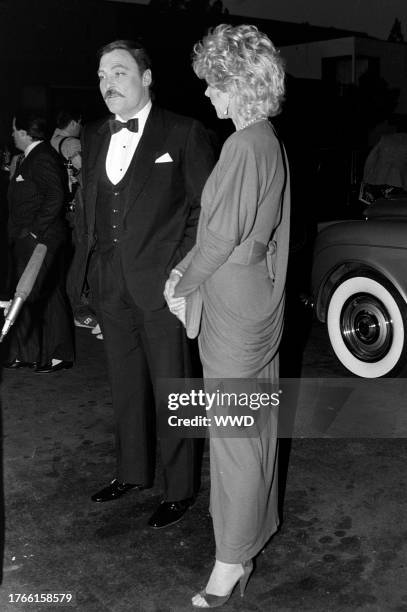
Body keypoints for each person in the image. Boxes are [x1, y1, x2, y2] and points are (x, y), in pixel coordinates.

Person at [165, 24, 290, 607]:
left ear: (238, 83)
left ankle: (229, 563)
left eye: (215, 83)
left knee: (234, 439)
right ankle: (250, 539)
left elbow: (216, 240)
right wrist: (183, 272)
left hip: (232, 306)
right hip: (256, 298)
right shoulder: (268, 139)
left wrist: (181, 282)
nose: (208, 95)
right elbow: (252, 236)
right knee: (255, 431)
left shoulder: (243, 146)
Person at [80, 39, 215, 528]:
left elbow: (206, 211)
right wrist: (86, 282)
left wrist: (178, 270)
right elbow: (87, 213)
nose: (107, 83)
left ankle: (180, 488)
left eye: (117, 72)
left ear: (147, 77)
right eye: (100, 75)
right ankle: (132, 472)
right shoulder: (95, 134)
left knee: (173, 389)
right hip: (110, 284)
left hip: (163, 288)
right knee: (125, 386)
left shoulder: (184, 132)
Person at [3, 110, 74, 373]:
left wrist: (33, 231)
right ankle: (28, 353)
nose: (12, 135)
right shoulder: (28, 158)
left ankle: (58, 354)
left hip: (41, 240)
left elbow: (55, 196)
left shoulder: (42, 157)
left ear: (24, 133)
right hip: (26, 239)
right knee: (25, 295)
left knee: (48, 294)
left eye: (14, 131)